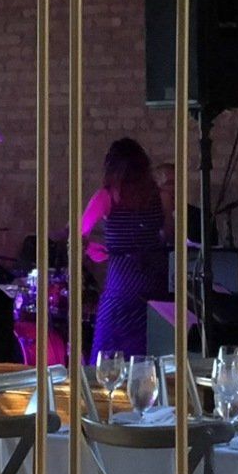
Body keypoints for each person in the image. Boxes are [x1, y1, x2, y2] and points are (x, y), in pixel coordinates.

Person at [82, 137, 167, 358]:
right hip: (153, 281)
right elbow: (165, 234)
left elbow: (79, 235)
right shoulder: (156, 195)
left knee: (107, 352)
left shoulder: (107, 196)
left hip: (122, 284)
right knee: (146, 354)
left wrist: (93, 250)